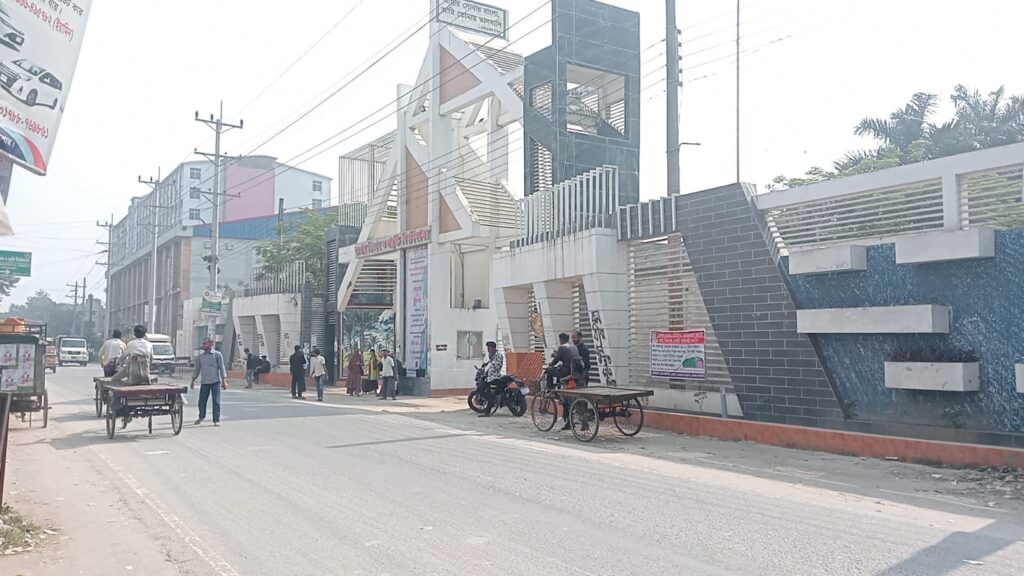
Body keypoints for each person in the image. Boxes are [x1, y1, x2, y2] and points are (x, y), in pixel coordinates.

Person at [544, 332, 580, 430]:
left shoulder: (562, 347)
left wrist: (550, 364)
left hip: (566, 373)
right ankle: (568, 422)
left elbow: (555, 360)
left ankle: (550, 389)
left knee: (548, 370)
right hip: (576, 373)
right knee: (566, 399)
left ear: (561, 340)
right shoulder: (573, 347)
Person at [191, 337, 227, 426]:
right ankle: (201, 416)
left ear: (211, 344)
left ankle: (216, 420)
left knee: (216, 402)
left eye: (205, 344)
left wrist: (224, 381)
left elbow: (222, 368)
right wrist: (193, 380)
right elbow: (197, 369)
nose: (203, 345)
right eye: (203, 344)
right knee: (201, 401)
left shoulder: (217, 355)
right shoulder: (201, 357)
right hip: (204, 383)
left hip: (215, 382)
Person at [477, 341, 505, 418]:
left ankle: (489, 407)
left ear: (493, 348)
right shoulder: (492, 355)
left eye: (489, 348)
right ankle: (491, 402)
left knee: (483, 387)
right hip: (490, 376)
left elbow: (495, 367)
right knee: (481, 386)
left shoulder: (498, 355)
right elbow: (490, 364)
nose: (488, 350)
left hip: (494, 377)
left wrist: (488, 372)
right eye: (487, 348)